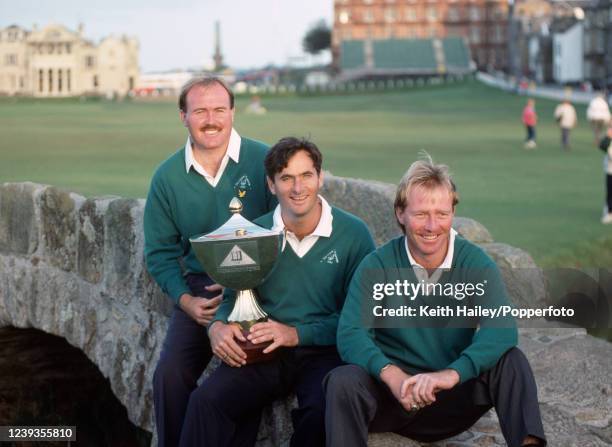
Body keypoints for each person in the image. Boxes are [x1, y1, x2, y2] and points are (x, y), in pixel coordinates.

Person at [324, 156, 547, 447]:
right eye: (421, 214)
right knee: (342, 381)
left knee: (511, 361)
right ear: (400, 214)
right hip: (391, 399)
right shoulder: (376, 265)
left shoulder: (474, 263)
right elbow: (351, 333)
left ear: (453, 212)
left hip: (449, 397)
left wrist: (451, 374)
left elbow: (502, 329)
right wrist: (392, 376)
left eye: (441, 214)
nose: (432, 226)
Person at [178, 137, 376, 446]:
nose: (298, 188)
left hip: (327, 351)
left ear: (320, 177)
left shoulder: (354, 235)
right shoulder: (250, 233)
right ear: (271, 185)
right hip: (266, 349)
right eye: (286, 178)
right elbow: (232, 300)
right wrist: (216, 327)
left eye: (306, 175)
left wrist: (296, 334)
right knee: (205, 401)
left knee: (323, 412)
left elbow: (361, 320)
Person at [144, 76, 276, 447]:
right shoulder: (167, 177)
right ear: (183, 116)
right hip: (202, 291)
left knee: (241, 369)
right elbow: (159, 252)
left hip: (259, 286)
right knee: (169, 375)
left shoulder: (264, 160)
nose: (211, 119)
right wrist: (186, 301)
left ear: (233, 112)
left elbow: (286, 229)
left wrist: (253, 284)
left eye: (220, 109)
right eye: (200, 110)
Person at [598, 126, 612, 224]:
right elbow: (602, 146)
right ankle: (609, 212)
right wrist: (608, 136)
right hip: (610, 170)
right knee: (610, 192)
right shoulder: (609, 139)